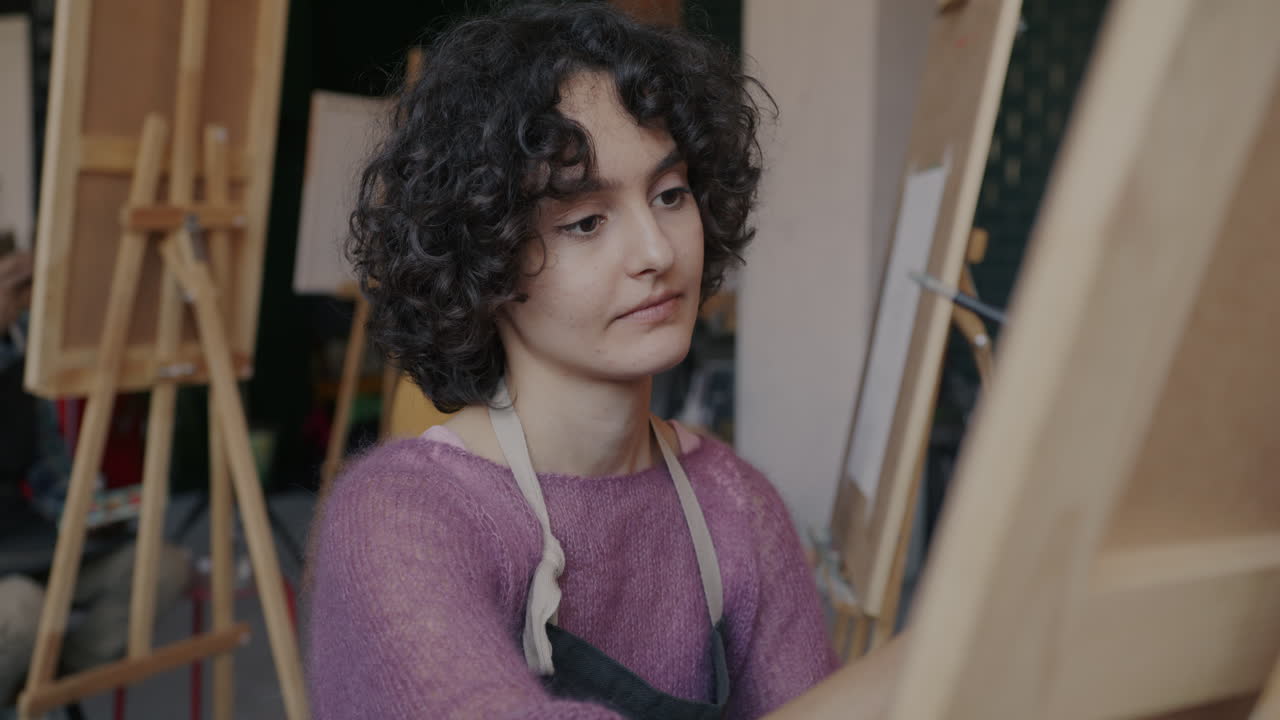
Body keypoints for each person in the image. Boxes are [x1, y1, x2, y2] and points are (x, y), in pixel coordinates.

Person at [304, 4, 899, 718]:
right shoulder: (401, 519)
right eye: (587, 221)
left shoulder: (736, 510)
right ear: (486, 256)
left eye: (671, 195)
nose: (656, 252)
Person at [0, 249, 193, 714]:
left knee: (162, 568)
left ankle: (49, 680)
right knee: (22, 608)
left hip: (33, 542)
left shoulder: (22, 355)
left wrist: (93, 513)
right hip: (12, 578)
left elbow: (50, 472)